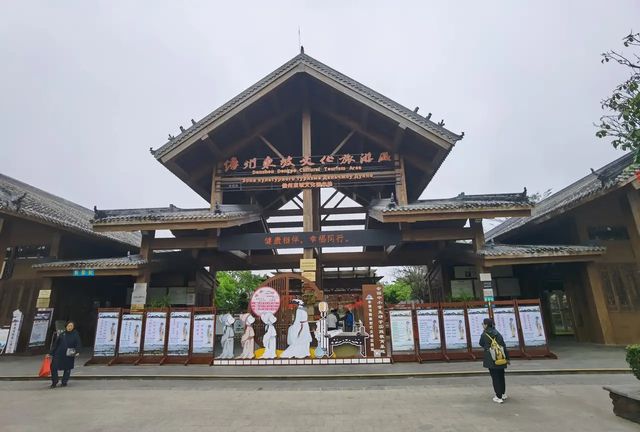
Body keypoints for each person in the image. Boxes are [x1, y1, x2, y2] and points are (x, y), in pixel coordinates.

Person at [479, 318, 510, 404]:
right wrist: (507, 358)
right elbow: (504, 346)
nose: (482, 325)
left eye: (483, 324)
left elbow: (481, 343)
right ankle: (503, 394)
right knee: (501, 376)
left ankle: (498, 396)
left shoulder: (484, 334)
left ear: (486, 325)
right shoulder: (498, 333)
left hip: (491, 359)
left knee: (495, 377)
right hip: (501, 357)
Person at [47, 321, 81, 388]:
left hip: (69, 354)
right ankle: (54, 381)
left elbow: (78, 344)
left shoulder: (75, 334)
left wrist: (77, 351)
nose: (70, 327)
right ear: (66, 326)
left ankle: (64, 382)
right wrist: (50, 353)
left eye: (71, 326)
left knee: (67, 368)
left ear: (73, 327)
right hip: (58, 354)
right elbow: (55, 345)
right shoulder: (62, 334)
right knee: (53, 367)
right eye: (69, 326)